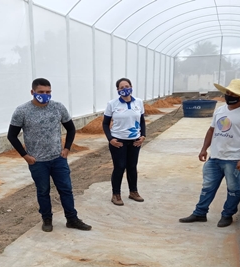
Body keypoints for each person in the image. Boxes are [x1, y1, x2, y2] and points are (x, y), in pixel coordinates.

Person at [8, 78, 92, 233]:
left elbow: (71, 129)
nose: (45, 95)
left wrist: (66, 149)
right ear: (32, 92)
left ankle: (72, 219)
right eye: (41, 92)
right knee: (43, 191)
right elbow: (12, 136)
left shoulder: (58, 107)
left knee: (66, 189)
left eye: (48, 92)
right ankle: (47, 219)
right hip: (37, 161)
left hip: (58, 159)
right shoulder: (22, 111)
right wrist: (25, 155)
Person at [179, 79, 240, 227]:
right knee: (207, 187)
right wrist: (204, 149)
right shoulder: (220, 110)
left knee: (233, 189)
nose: (229, 95)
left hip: (234, 159)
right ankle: (200, 213)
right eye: (227, 92)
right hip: (215, 157)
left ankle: (227, 215)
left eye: (233, 93)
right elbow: (212, 130)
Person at [102, 78, 146, 206]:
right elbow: (105, 123)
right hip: (118, 141)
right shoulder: (112, 104)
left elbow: (142, 121)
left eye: (127, 86)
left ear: (131, 86)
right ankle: (116, 195)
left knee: (132, 167)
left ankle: (133, 192)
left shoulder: (138, 102)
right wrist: (111, 139)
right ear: (117, 90)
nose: (125, 89)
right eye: (121, 87)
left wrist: (143, 135)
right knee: (119, 167)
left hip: (135, 141)